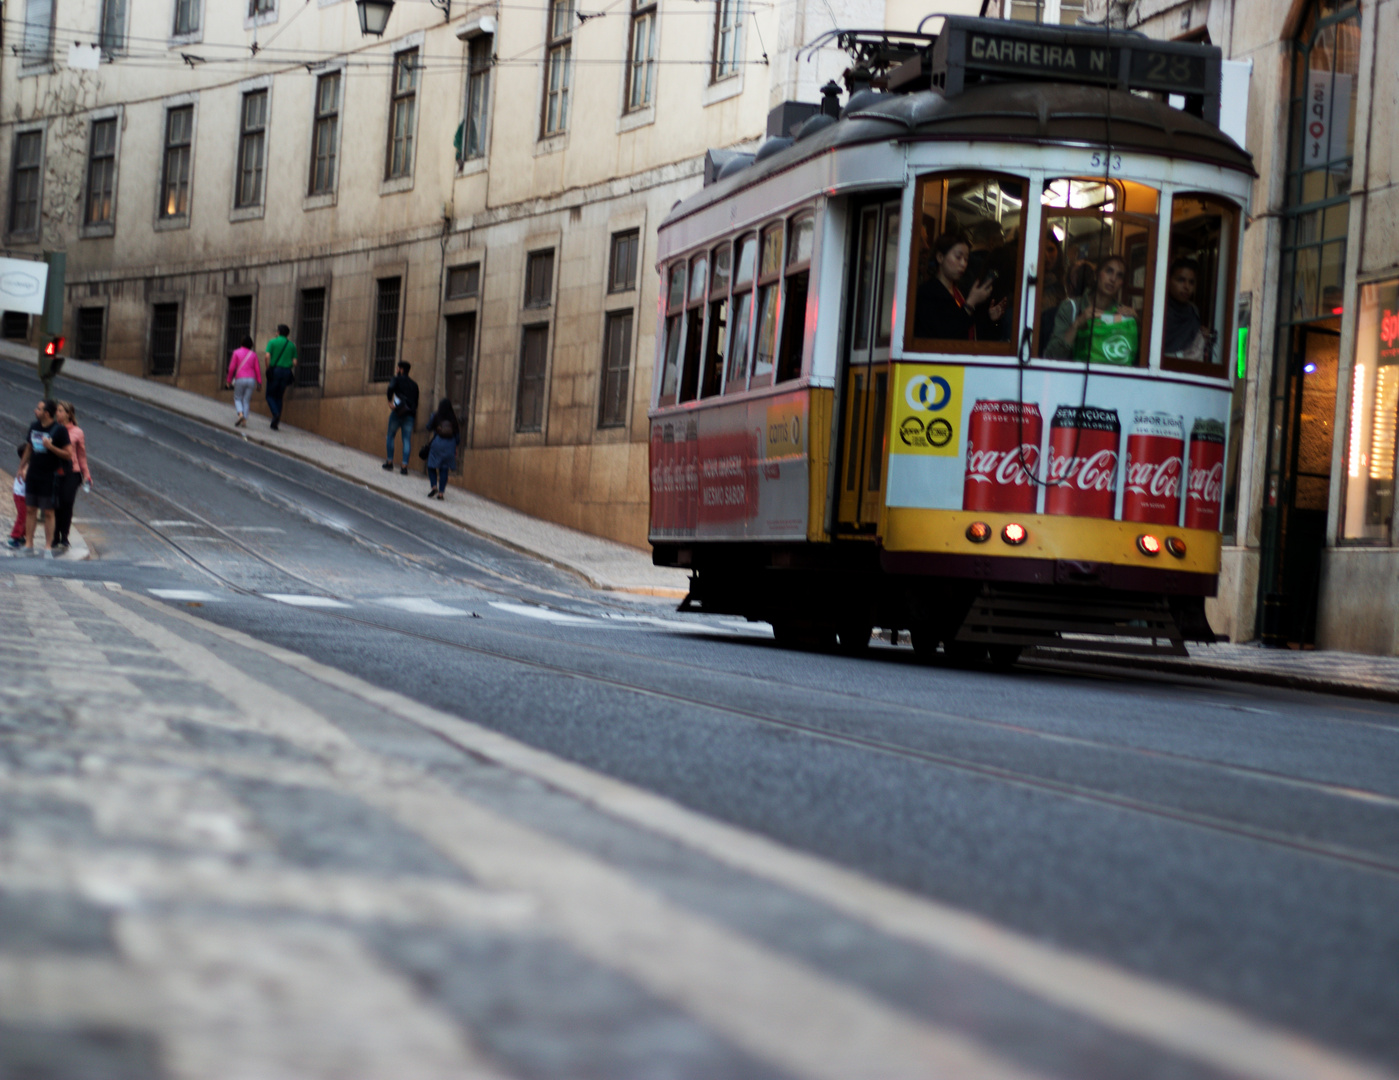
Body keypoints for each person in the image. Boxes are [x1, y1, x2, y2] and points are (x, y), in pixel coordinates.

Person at [1044, 255, 1139, 364]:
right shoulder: (1071, 308)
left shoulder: (1122, 315)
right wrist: (1077, 323)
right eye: (1109, 271)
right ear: (1097, 274)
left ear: (1122, 283)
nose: (1113, 279)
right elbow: (1051, 357)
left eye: (1119, 276)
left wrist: (1135, 322)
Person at [913, 231, 1008, 341]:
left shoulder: (959, 290)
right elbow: (945, 334)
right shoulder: (928, 293)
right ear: (940, 257)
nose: (963, 264)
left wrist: (991, 319)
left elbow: (969, 328)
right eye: (958, 257)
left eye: (966, 259)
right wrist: (970, 303)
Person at [18, 400, 72, 553]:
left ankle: (48, 545)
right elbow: (29, 448)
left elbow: (68, 454)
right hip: (34, 474)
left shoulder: (60, 430)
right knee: (30, 509)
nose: (36, 410)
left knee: (48, 511)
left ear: (47, 413)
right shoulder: (34, 426)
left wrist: (51, 447)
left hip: (49, 477)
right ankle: (29, 543)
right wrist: (21, 466)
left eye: (39, 409)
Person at [52, 401, 90, 555]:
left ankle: (64, 536)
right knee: (55, 503)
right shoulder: (53, 429)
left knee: (67, 502)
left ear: (68, 414)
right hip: (55, 471)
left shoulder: (77, 432)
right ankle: (54, 536)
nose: (58, 414)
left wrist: (86, 474)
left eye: (61, 411)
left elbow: (81, 455)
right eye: (57, 411)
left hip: (72, 472)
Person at [1162, 257, 1213, 361]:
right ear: (1169, 280)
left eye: (1191, 282)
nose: (1186, 287)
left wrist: (1203, 335)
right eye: (1181, 280)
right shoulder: (1159, 310)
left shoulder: (1193, 311)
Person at [383, 361, 419, 475]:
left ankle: (389, 462)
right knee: (406, 440)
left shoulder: (396, 379)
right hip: (410, 415)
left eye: (398, 368)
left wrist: (389, 402)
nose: (396, 370)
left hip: (397, 412)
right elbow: (416, 402)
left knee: (390, 436)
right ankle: (404, 467)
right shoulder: (414, 385)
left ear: (401, 369)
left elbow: (390, 388)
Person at [425, 399, 460, 500]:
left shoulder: (436, 415)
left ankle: (434, 486)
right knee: (444, 469)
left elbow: (428, 427)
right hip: (450, 446)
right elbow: (457, 437)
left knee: (431, 465)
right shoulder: (454, 419)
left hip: (437, 443)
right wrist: (455, 448)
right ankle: (441, 494)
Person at [264, 324, 297, 431]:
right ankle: (276, 422)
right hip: (286, 372)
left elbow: (267, 356)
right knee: (279, 396)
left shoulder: (272, 342)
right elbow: (295, 362)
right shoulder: (291, 345)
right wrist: (288, 365)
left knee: (269, 395)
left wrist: (268, 367)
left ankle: (275, 413)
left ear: (278, 332)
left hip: (275, 370)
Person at [227, 334, 262, 427]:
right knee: (246, 400)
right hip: (251, 380)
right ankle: (244, 421)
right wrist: (259, 383)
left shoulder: (236, 352)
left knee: (237, 398)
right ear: (251, 344)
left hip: (240, 378)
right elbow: (257, 369)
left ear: (241, 343)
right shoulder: (253, 355)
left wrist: (229, 380)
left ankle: (240, 414)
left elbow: (231, 368)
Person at [8, 445, 27, 550]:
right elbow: (25, 477)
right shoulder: (25, 466)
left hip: (23, 494)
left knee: (27, 516)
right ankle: (14, 537)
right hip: (20, 495)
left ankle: (22, 535)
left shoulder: (26, 465)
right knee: (22, 516)